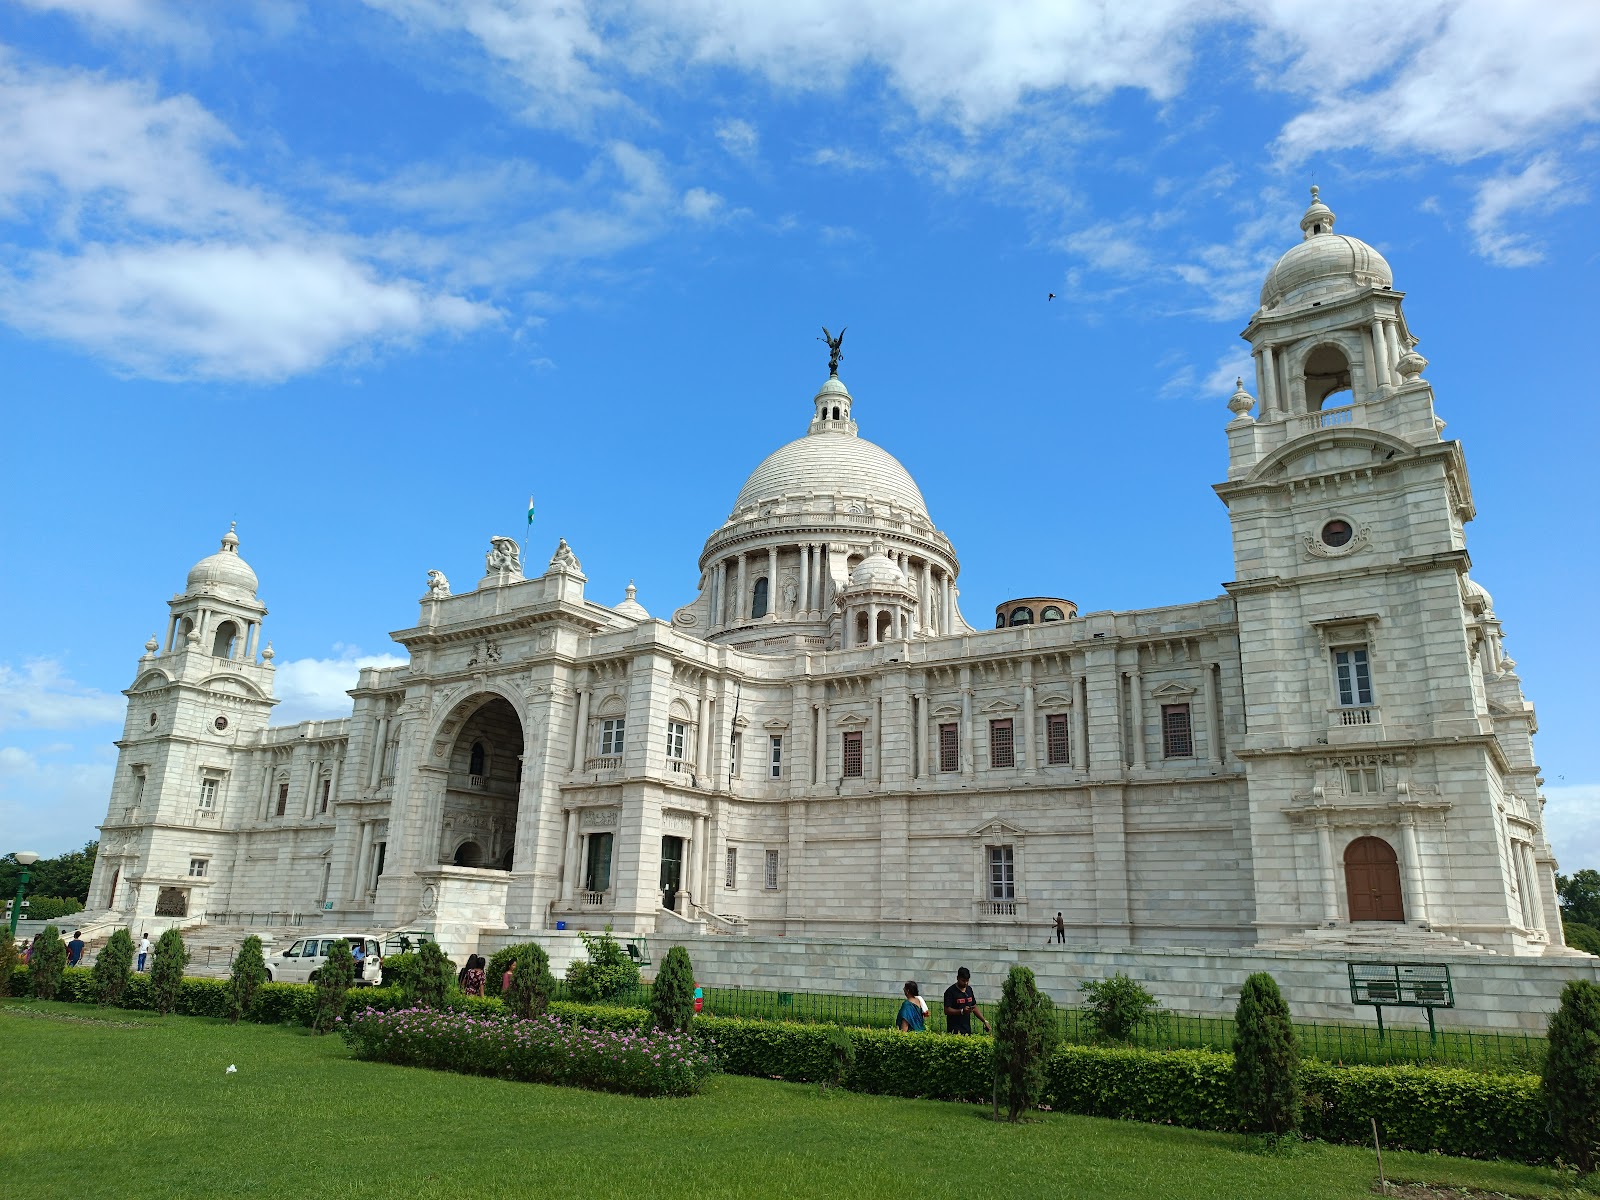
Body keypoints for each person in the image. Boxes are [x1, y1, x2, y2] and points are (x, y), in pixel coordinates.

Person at [943, 967, 990, 1036]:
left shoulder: (969, 990)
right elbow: (946, 1010)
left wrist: (984, 1021)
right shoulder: (950, 992)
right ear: (957, 978)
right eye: (963, 980)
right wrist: (961, 1011)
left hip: (967, 1030)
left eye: (967, 981)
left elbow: (974, 1007)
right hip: (954, 1031)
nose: (966, 983)